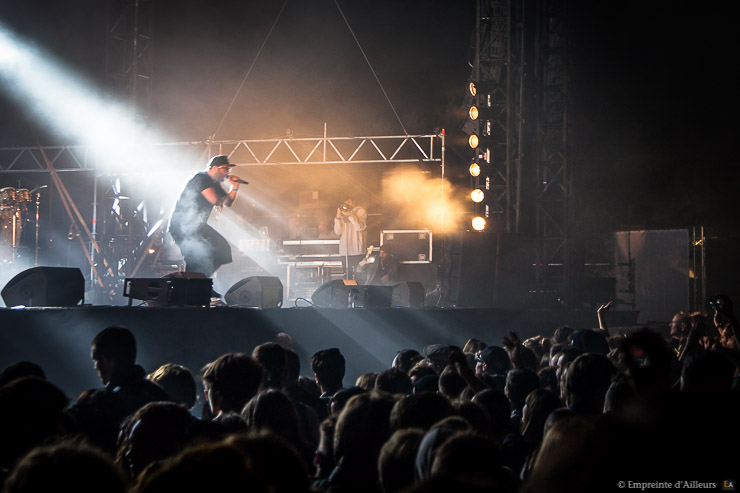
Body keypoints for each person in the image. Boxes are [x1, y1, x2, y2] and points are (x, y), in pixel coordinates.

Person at [168, 154, 244, 277]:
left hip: (197, 226)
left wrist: (234, 187)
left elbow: (228, 202)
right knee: (195, 257)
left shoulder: (214, 184)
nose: (227, 173)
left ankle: (199, 281)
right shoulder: (201, 178)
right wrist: (220, 201)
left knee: (222, 250)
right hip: (183, 226)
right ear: (215, 168)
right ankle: (189, 283)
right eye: (225, 169)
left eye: (228, 170)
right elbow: (215, 200)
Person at [333, 198, 367, 280]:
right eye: (345, 202)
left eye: (349, 202)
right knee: (347, 276)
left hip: (357, 250)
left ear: (354, 201)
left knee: (359, 275)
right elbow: (337, 231)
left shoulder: (360, 211)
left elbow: (360, 227)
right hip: (345, 251)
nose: (347, 204)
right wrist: (338, 217)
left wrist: (350, 215)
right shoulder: (342, 213)